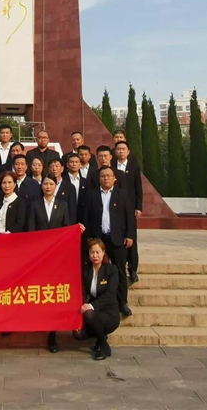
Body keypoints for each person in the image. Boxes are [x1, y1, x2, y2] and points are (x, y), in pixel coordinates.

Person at [29, 174, 83, 354]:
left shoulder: (64, 205)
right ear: (41, 186)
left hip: (58, 258)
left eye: (51, 183)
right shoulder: (35, 205)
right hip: (39, 257)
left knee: (53, 293)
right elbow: (31, 231)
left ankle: (52, 334)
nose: (48, 186)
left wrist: (76, 231)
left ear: (55, 186)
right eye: (45, 183)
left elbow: (67, 229)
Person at [84, 165, 134, 319]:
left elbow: (129, 217)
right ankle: (96, 301)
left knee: (119, 271)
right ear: (99, 179)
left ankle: (122, 303)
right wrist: (89, 238)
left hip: (117, 239)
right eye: (102, 176)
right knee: (97, 270)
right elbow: (86, 216)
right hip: (98, 240)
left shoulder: (122, 194)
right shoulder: (91, 194)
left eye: (108, 176)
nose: (105, 178)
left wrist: (130, 235)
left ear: (114, 178)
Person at [73, 238, 120, 361]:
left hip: (109, 312)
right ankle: (100, 338)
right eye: (91, 252)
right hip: (93, 313)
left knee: (89, 313)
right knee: (77, 333)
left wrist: (91, 306)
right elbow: (82, 292)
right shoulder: (86, 270)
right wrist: (82, 305)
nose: (95, 256)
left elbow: (110, 294)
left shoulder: (111, 269)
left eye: (97, 252)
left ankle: (104, 347)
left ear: (103, 252)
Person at [114, 138, 143, 284]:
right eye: (118, 149)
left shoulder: (133, 167)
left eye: (123, 149)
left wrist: (138, 207)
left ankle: (132, 269)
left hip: (130, 208)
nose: (120, 151)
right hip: (115, 207)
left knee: (131, 238)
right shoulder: (112, 166)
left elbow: (138, 188)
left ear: (128, 152)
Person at [48, 159, 77, 224]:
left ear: (62, 169)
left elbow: (72, 210)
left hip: (63, 224)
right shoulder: (44, 185)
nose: (54, 169)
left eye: (57, 166)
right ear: (49, 169)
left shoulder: (70, 187)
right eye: (52, 166)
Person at [63, 153, 89, 225]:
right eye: (71, 162)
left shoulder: (86, 182)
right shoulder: (62, 181)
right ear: (67, 165)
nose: (74, 164)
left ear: (80, 164)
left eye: (76, 162)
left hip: (81, 214)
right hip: (66, 215)